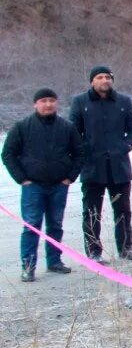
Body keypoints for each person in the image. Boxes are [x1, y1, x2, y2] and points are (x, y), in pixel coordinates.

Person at [2, 89, 84, 281]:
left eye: (51, 100)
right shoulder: (22, 127)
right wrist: (22, 178)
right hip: (33, 186)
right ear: (35, 104)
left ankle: (54, 261)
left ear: (56, 103)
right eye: (43, 100)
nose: (48, 104)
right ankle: (28, 266)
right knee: (31, 225)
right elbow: (8, 154)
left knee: (55, 224)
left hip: (58, 185)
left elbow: (79, 153)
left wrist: (69, 178)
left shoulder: (66, 127)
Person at [72, 65, 132, 262]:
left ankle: (125, 248)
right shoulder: (80, 102)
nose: (105, 81)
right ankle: (94, 252)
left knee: (123, 210)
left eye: (108, 77)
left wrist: (125, 146)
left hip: (119, 166)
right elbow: (74, 132)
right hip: (93, 166)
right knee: (92, 212)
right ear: (92, 81)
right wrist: (86, 150)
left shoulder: (123, 102)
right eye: (100, 77)